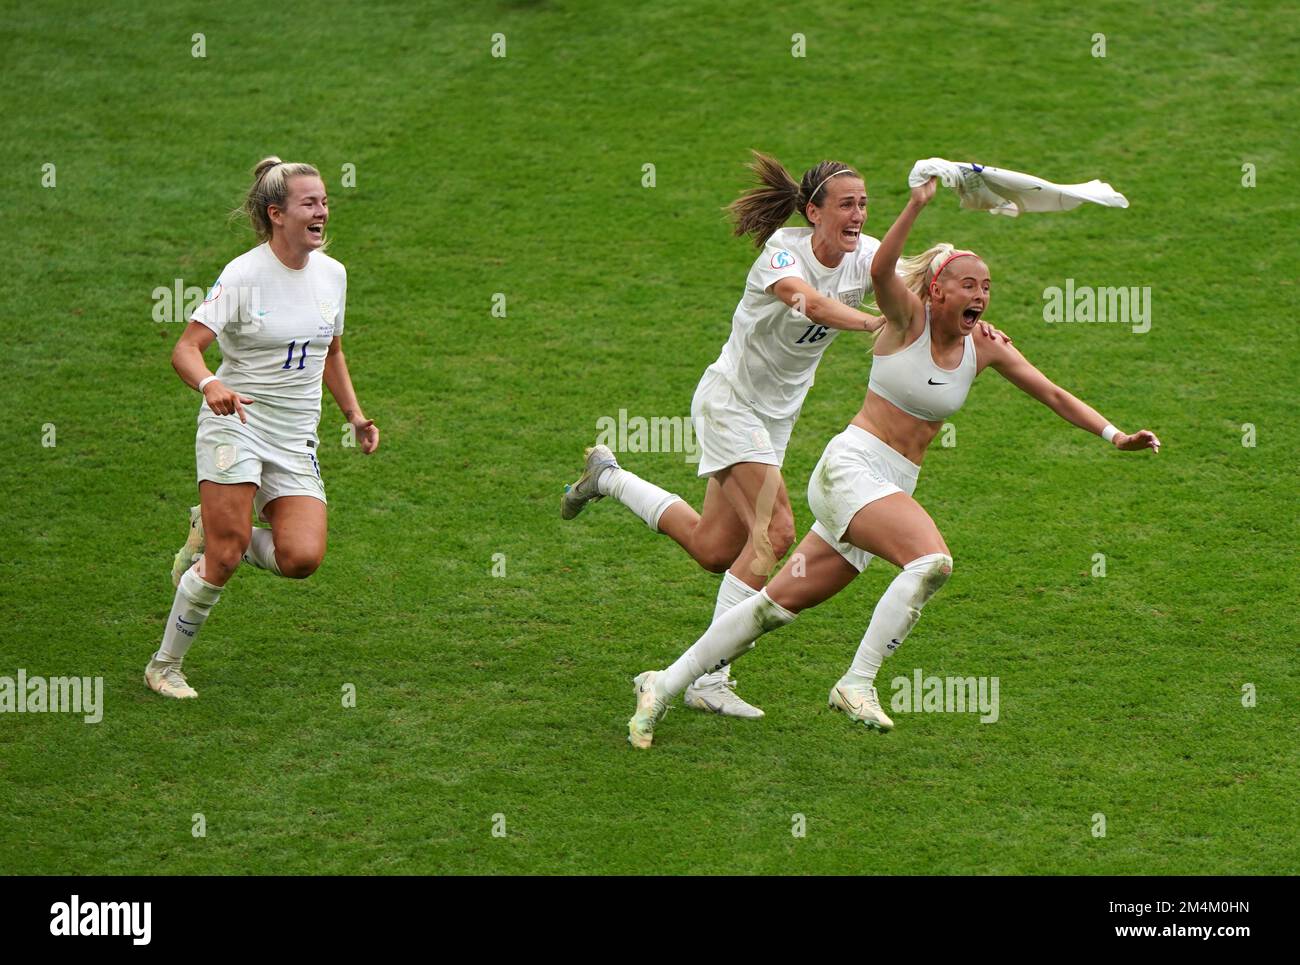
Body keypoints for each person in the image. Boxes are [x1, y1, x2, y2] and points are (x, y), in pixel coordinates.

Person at [627, 174, 1161, 748]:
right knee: (929, 561)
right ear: (936, 291)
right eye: (966, 284)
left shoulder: (985, 346)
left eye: (986, 287)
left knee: (771, 606)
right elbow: (880, 273)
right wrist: (916, 202)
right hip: (845, 467)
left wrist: (1114, 435)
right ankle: (857, 683)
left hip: (884, 479)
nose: (980, 295)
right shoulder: (902, 318)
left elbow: (1052, 393)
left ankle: (666, 681)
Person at [145, 157, 379, 699]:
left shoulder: (333, 274)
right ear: (277, 214)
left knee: (302, 559)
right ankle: (164, 666)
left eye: (324, 201)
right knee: (223, 559)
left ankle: (211, 525)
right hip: (237, 422)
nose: (322, 211)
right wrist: (211, 386)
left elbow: (331, 352)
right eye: (310, 203)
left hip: (295, 437)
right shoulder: (244, 274)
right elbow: (185, 350)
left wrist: (354, 415)